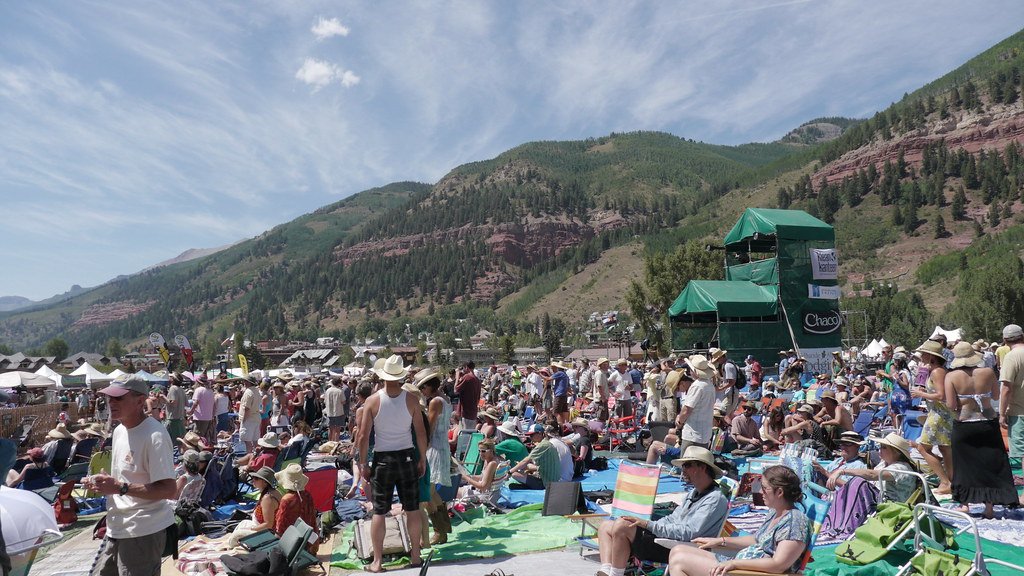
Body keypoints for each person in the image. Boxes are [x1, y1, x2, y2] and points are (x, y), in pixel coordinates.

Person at [85, 375, 176, 576]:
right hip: (117, 527)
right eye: (109, 397)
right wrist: (103, 482)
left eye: (118, 398)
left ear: (140, 401)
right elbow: (126, 477)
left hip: (142, 531)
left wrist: (119, 487)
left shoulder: (155, 436)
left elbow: (169, 490)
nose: (111, 402)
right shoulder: (119, 431)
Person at [597, 446, 728, 576]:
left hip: (681, 548)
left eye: (687, 465)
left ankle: (615, 574)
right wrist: (648, 525)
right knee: (606, 526)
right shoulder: (695, 493)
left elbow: (689, 533)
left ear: (703, 467)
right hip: (670, 540)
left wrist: (649, 525)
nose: (682, 470)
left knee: (622, 525)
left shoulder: (714, 499)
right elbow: (672, 518)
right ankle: (607, 571)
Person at [355, 355, 428, 573]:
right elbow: (421, 433)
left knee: (379, 511)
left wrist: (363, 463)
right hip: (407, 456)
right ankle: (415, 556)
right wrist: (422, 458)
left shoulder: (372, 401)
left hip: (383, 459)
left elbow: (363, 436)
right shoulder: (411, 400)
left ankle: (377, 561)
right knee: (412, 508)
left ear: (382, 376)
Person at [667, 465, 810, 576]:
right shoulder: (776, 512)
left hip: (748, 572)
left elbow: (778, 565)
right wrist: (721, 541)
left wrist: (735, 564)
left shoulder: (795, 523)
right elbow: (757, 539)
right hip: (742, 566)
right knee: (677, 550)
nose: (760, 492)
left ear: (779, 492)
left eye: (764, 488)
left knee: (680, 562)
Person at [946, 341, 1017, 517]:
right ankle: (989, 507)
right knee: (990, 464)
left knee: (963, 465)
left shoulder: (951, 376)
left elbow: (951, 405)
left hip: (964, 424)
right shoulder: (988, 372)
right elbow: (995, 396)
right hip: (987, 422)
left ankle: (965, 504)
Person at [913, 339, 954, 495]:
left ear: (931, 356)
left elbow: (941, 395)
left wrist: (921, 394)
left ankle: (945, 481)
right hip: (940, 414)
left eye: (923, 353)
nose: (921, 356)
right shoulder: (938, 371)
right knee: (945, 448)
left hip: (939, 415)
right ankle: (950, 481)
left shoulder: (937, 372)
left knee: (923, 448)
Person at [838, 433, 919, 503]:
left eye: (884, 447)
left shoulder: (902, 468)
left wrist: (842, 471)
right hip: (873, 502)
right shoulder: (883, 463)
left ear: (896, 452)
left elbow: (872, 475)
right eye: (880, 447)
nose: (879, 450)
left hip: (891, 509)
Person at [998, 323, 1024, 504]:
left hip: (1019, 411)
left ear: (1005, 340)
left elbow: (1006, 388)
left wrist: (1001, 413)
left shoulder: (1011, 357)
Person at [274, 464, 319, 549]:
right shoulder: (307, 495)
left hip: (292, 542)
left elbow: (280, 525)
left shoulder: (287, 499)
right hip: (308, 540)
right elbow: (312, 518)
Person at [508, 423, 561, 489]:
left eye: (532, 435)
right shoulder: (547, 443)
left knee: (514, 474)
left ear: (539, 433)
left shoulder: (543, 445)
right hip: (552, 480)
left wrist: (509, 472)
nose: (530, 437)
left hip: (545, 483)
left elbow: (525, 461)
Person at [459, 438, 506, 505]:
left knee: (455, 491)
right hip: (490, 494)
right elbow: (483, 477)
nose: (480, 453)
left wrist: (466, 478)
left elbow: (483, 487)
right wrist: (470, 477)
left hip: (485, 496)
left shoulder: (492, 464)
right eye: (479, 451)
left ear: (491, 451)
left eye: (483, 451)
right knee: (458, 489)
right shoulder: (490, 460)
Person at [247, 466, 281, 533]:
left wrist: (250, 529)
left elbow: (268, 525)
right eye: (253, 477)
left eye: (256, 478)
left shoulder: (268, 498)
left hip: (266, 533)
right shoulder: (274, 492)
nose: (253, 480)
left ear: (265, 482)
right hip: (261, 528)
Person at [189, 375, 216, 445]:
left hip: (200, 417)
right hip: (208, 417)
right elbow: (214, 405)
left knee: (197, 437)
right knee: (205, 437)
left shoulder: (198, 390)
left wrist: (191, 411)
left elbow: (196, 402)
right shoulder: (211, 391)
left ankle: (198, 450)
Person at [238, 376, 263, 453]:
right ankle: (257, 456)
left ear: (249, 382)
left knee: (247, 441)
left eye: (245, 381)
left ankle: (249, 456)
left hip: (249, 419)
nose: (244, 382)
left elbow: (247, 408)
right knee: (255, 441)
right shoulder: (257, 391)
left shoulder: (248, 392)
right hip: (256, 417)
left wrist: (243, 420)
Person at [455, 361, 482, 431]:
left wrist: (457, 377)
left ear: (466, 367)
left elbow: (455, 390)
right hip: (473, 412)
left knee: (465, 434)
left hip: (466, 412)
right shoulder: (477, 380)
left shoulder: (467, 377)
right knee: (470, 433)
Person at [165, 374, 188, 444]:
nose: (169, 377)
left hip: (172, 419)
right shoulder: (181, 390)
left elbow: (173, 403)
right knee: (180, 443)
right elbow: (186, 403)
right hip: (180, 419)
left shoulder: (173, 388)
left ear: (173, 379)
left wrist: (163, 397)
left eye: (171, 376)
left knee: (169, 442)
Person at [323, 376, 347, 442]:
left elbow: (325, 401)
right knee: (337, 430)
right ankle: (336, 443)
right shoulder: (340, 391)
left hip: (329, 412)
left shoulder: (328, 390)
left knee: (330, 429)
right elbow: (343, 401)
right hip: (338, 412)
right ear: (338, 383)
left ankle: (330, 442)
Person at [551, 361, 571, 425]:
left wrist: (540, 374)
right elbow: (568, 386)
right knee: (564, 411)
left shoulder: (559, 373)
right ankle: (566, 425)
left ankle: (561, 426)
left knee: (556, 412)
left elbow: (548, 379)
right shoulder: (565, 375)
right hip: (564, 395)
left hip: (559, 394)